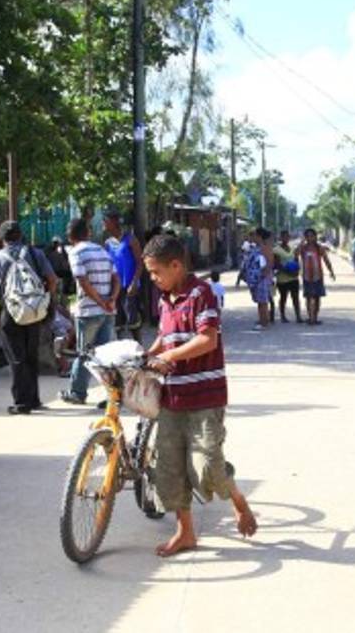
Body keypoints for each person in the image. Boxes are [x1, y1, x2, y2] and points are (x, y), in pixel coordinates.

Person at [142, 234, 258, 557]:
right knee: (170, 467)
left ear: (176, 266)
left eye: (156, 272)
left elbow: (206, 339)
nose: (153, 279)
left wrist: (169, 358)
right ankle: (186, 532)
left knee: (208, 467)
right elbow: (165, 337)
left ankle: (237, 498)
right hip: (172, 399)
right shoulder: (165, 300)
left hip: (205, 397)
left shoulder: (201, 293)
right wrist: (144, 356)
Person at [0, 221, 58, 415]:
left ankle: (21, 402)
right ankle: (34, 399)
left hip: (11, 314)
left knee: (16, 357)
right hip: (35, 311)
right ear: (21, 235)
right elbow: (52, 280)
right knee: (31, 355)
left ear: (1, 239)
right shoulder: (36, 254)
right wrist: (47, 300)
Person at [59, 217, 119, 405]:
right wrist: (112, 300)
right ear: (89, 232)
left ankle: (77, 393)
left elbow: (83, 281)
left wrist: (101, 302)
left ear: (70, 236)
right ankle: (113, 396)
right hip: (108, 311)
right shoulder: (102, 250)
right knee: (105, 355)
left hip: (89, 312)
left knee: (85, 353)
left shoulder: (76, 252)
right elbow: (116, 277)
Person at [104, 211, 146, 342]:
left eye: (106, 221)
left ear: (114, 222)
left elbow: (140, 262)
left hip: (129, 285)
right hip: (115, 287)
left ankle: (139, 348)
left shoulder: (130, 239)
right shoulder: (107, 243)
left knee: (132, 319)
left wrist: (134, 282)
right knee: (117, 321)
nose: (103, 224)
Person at [296, 228, 336, 326]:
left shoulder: (319, 248)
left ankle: (315, 317)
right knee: (308, 297)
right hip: (306, 277)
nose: (310, 238)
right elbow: (295, 253)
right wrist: (301, 242)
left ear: (315, 237)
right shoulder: (303, 248)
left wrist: (331, 271)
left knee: (317, 298)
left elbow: (326, 260)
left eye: (312, 236)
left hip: (318, 276)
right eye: (307, 236)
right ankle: (310, 317)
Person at [274, 230, 303, 324]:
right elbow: (277, 264)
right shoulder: (276, 250)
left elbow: (296, 259)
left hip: (294, 277)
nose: (286, 238)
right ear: (280, 238)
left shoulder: (292, 248)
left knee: (295, 297)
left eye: (287, 237)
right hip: (282, 278)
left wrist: (296, 270)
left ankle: (298, 316)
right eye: (284, 237)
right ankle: (282, 316)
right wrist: (287, 271)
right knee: (283, 297)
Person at [43, 237, 74, 301]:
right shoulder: (51, 252)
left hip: (59, 275)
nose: (56, 244)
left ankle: (61, 306)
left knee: (61, 293)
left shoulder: (60, 251)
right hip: (57, 275)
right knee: (58, 294)